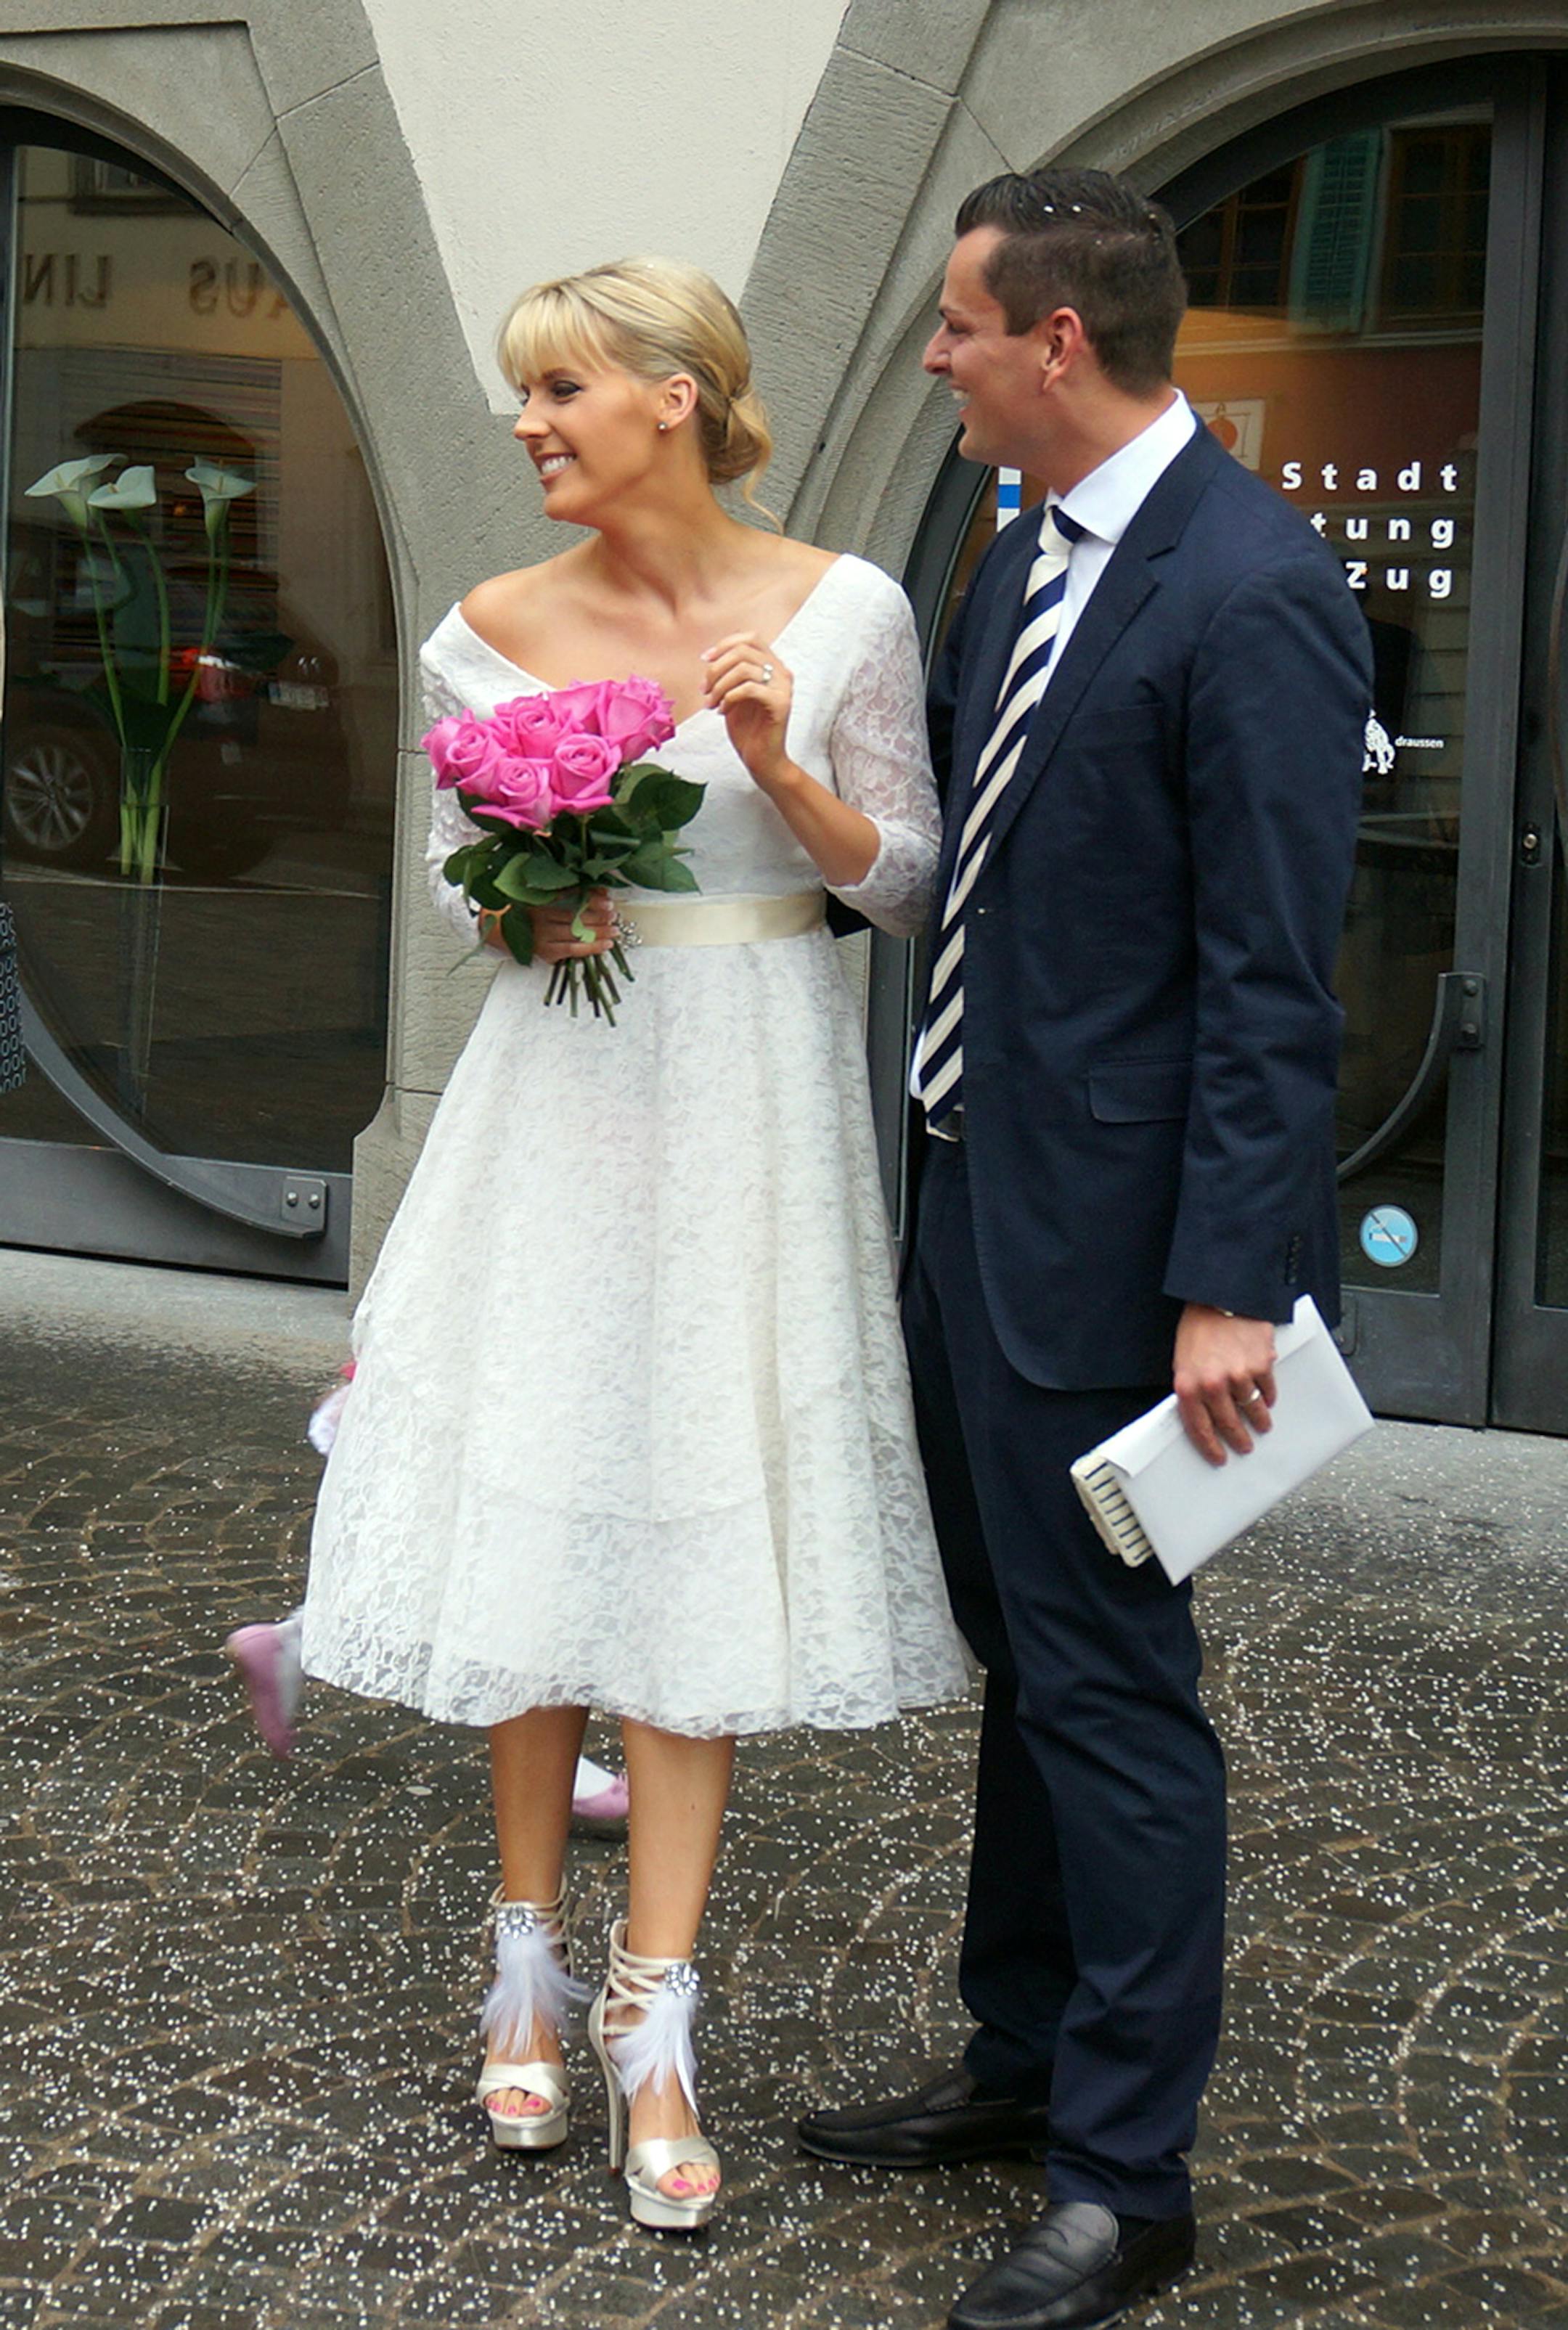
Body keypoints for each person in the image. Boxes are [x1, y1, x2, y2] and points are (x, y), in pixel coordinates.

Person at [298, 256, 966, 2232]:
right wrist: (533, 900)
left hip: (755, 1105)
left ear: (677, 396)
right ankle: (525, 1961)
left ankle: (654, 2025)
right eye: (523, 393)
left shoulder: (847, 608)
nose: (530, 424)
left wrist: (774, 770)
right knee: (539, 1506)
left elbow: (912, 877)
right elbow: (456, 890)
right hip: (561, 1112)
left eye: (564, 388)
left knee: (698, 1532)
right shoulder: (486, 631)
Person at [797, 169, 1369, 2330]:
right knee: (1025, 1660)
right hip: (980, 1212)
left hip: (1133, 1272)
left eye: (955, 324)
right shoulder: (1014, 551)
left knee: (1118, 1700)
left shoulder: (1256, 589)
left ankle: (1129, 2180)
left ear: (1057, 343)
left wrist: (1234, 1277)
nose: (929, 355)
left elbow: (1275, 977)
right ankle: (1024, 2052)